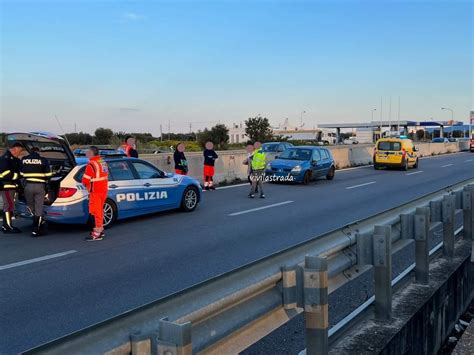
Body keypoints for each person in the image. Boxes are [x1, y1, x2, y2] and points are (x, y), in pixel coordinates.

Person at [20, 147, 52, 237]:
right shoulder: (43, 160)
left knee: (30, 206)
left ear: (30, 152)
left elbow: (21, 174)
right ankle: (37, 229)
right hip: (40, 187)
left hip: (28, 186)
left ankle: (39, 221)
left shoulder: (24, 159)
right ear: (38, 152)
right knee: (39, 207)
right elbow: (48, 175)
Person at [82, 146, 109, 241]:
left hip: (95, 191)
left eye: (88, 152)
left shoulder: (91, 164)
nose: (86, 154)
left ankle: (97, 233)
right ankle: (100, 230)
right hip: (103, 189)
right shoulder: (102, 162)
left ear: (92, 153)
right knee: (100, 211)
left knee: (96, 211)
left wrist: (87, 187)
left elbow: (85, 180)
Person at [0, 142, 23, 233]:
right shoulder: (5, 159)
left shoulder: (12, 158)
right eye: (19, 151)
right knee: (8, 206)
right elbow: (5, 174)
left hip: (10, 186)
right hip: (6, 186)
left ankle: (6, 226)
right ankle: (7, 226)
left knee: (9, 205)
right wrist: (18, 176)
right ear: (15, 149)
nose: (19, 153)